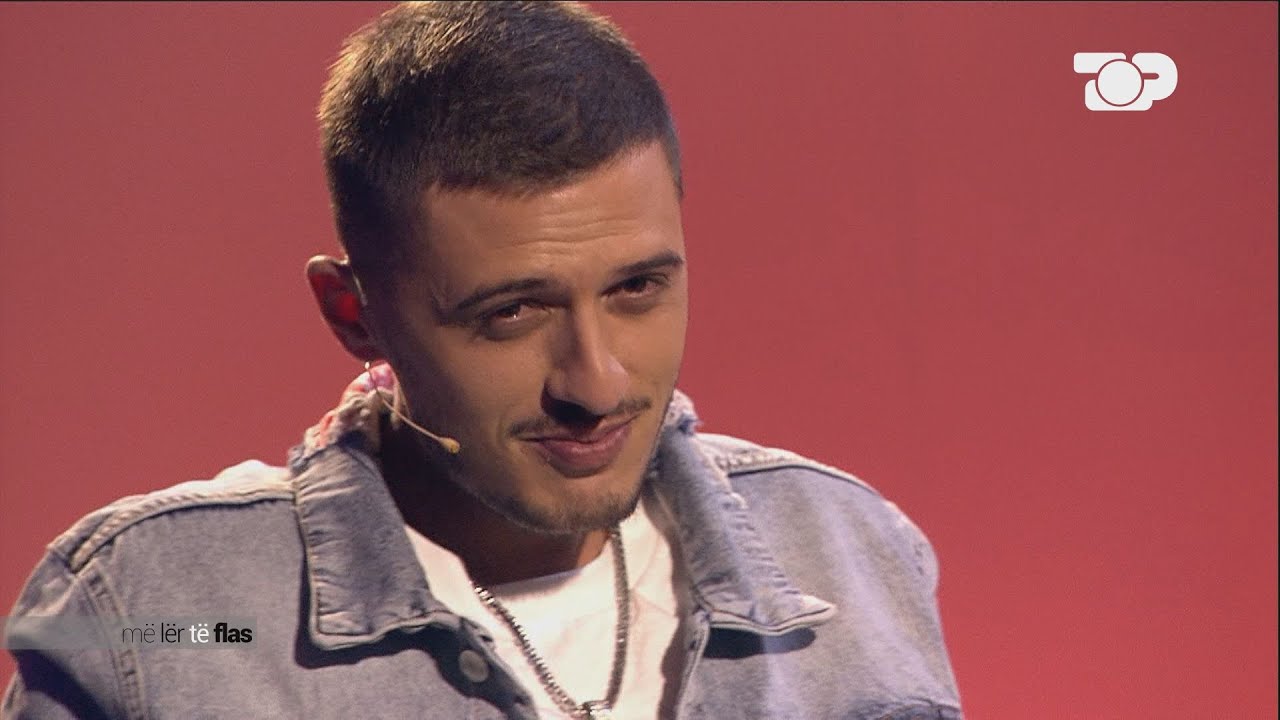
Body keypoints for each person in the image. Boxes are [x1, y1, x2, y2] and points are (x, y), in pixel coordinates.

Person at [2, 2, 961, 718]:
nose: (596, 383)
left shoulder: (853, 551)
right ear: (353, 313)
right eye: (511, 313)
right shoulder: (151, 613)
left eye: (637, 289)